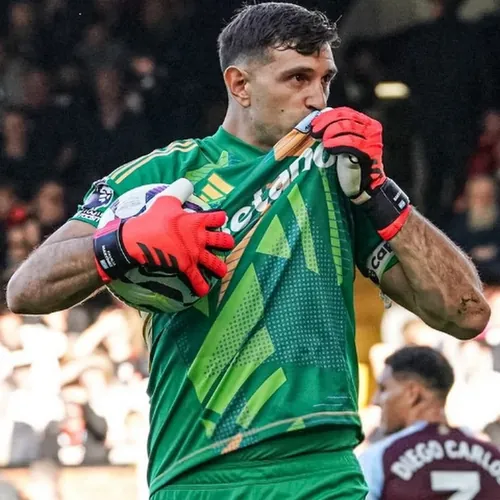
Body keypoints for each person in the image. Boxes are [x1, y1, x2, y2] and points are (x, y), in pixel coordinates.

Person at [6, 3, 490, 499]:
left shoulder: (338, 178)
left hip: (324, 474)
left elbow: (466, 314)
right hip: (199, 472)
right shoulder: (164, 174)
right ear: (240, 85)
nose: (316, 98)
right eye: (297, 78)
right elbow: (26, 290)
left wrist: (380, 193)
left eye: (324, 80)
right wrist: (121, 243)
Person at [358, 345, 500, 500]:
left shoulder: (381, 457)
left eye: (383, 389)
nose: (376, 400)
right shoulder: (493, 456)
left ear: (412, 393)